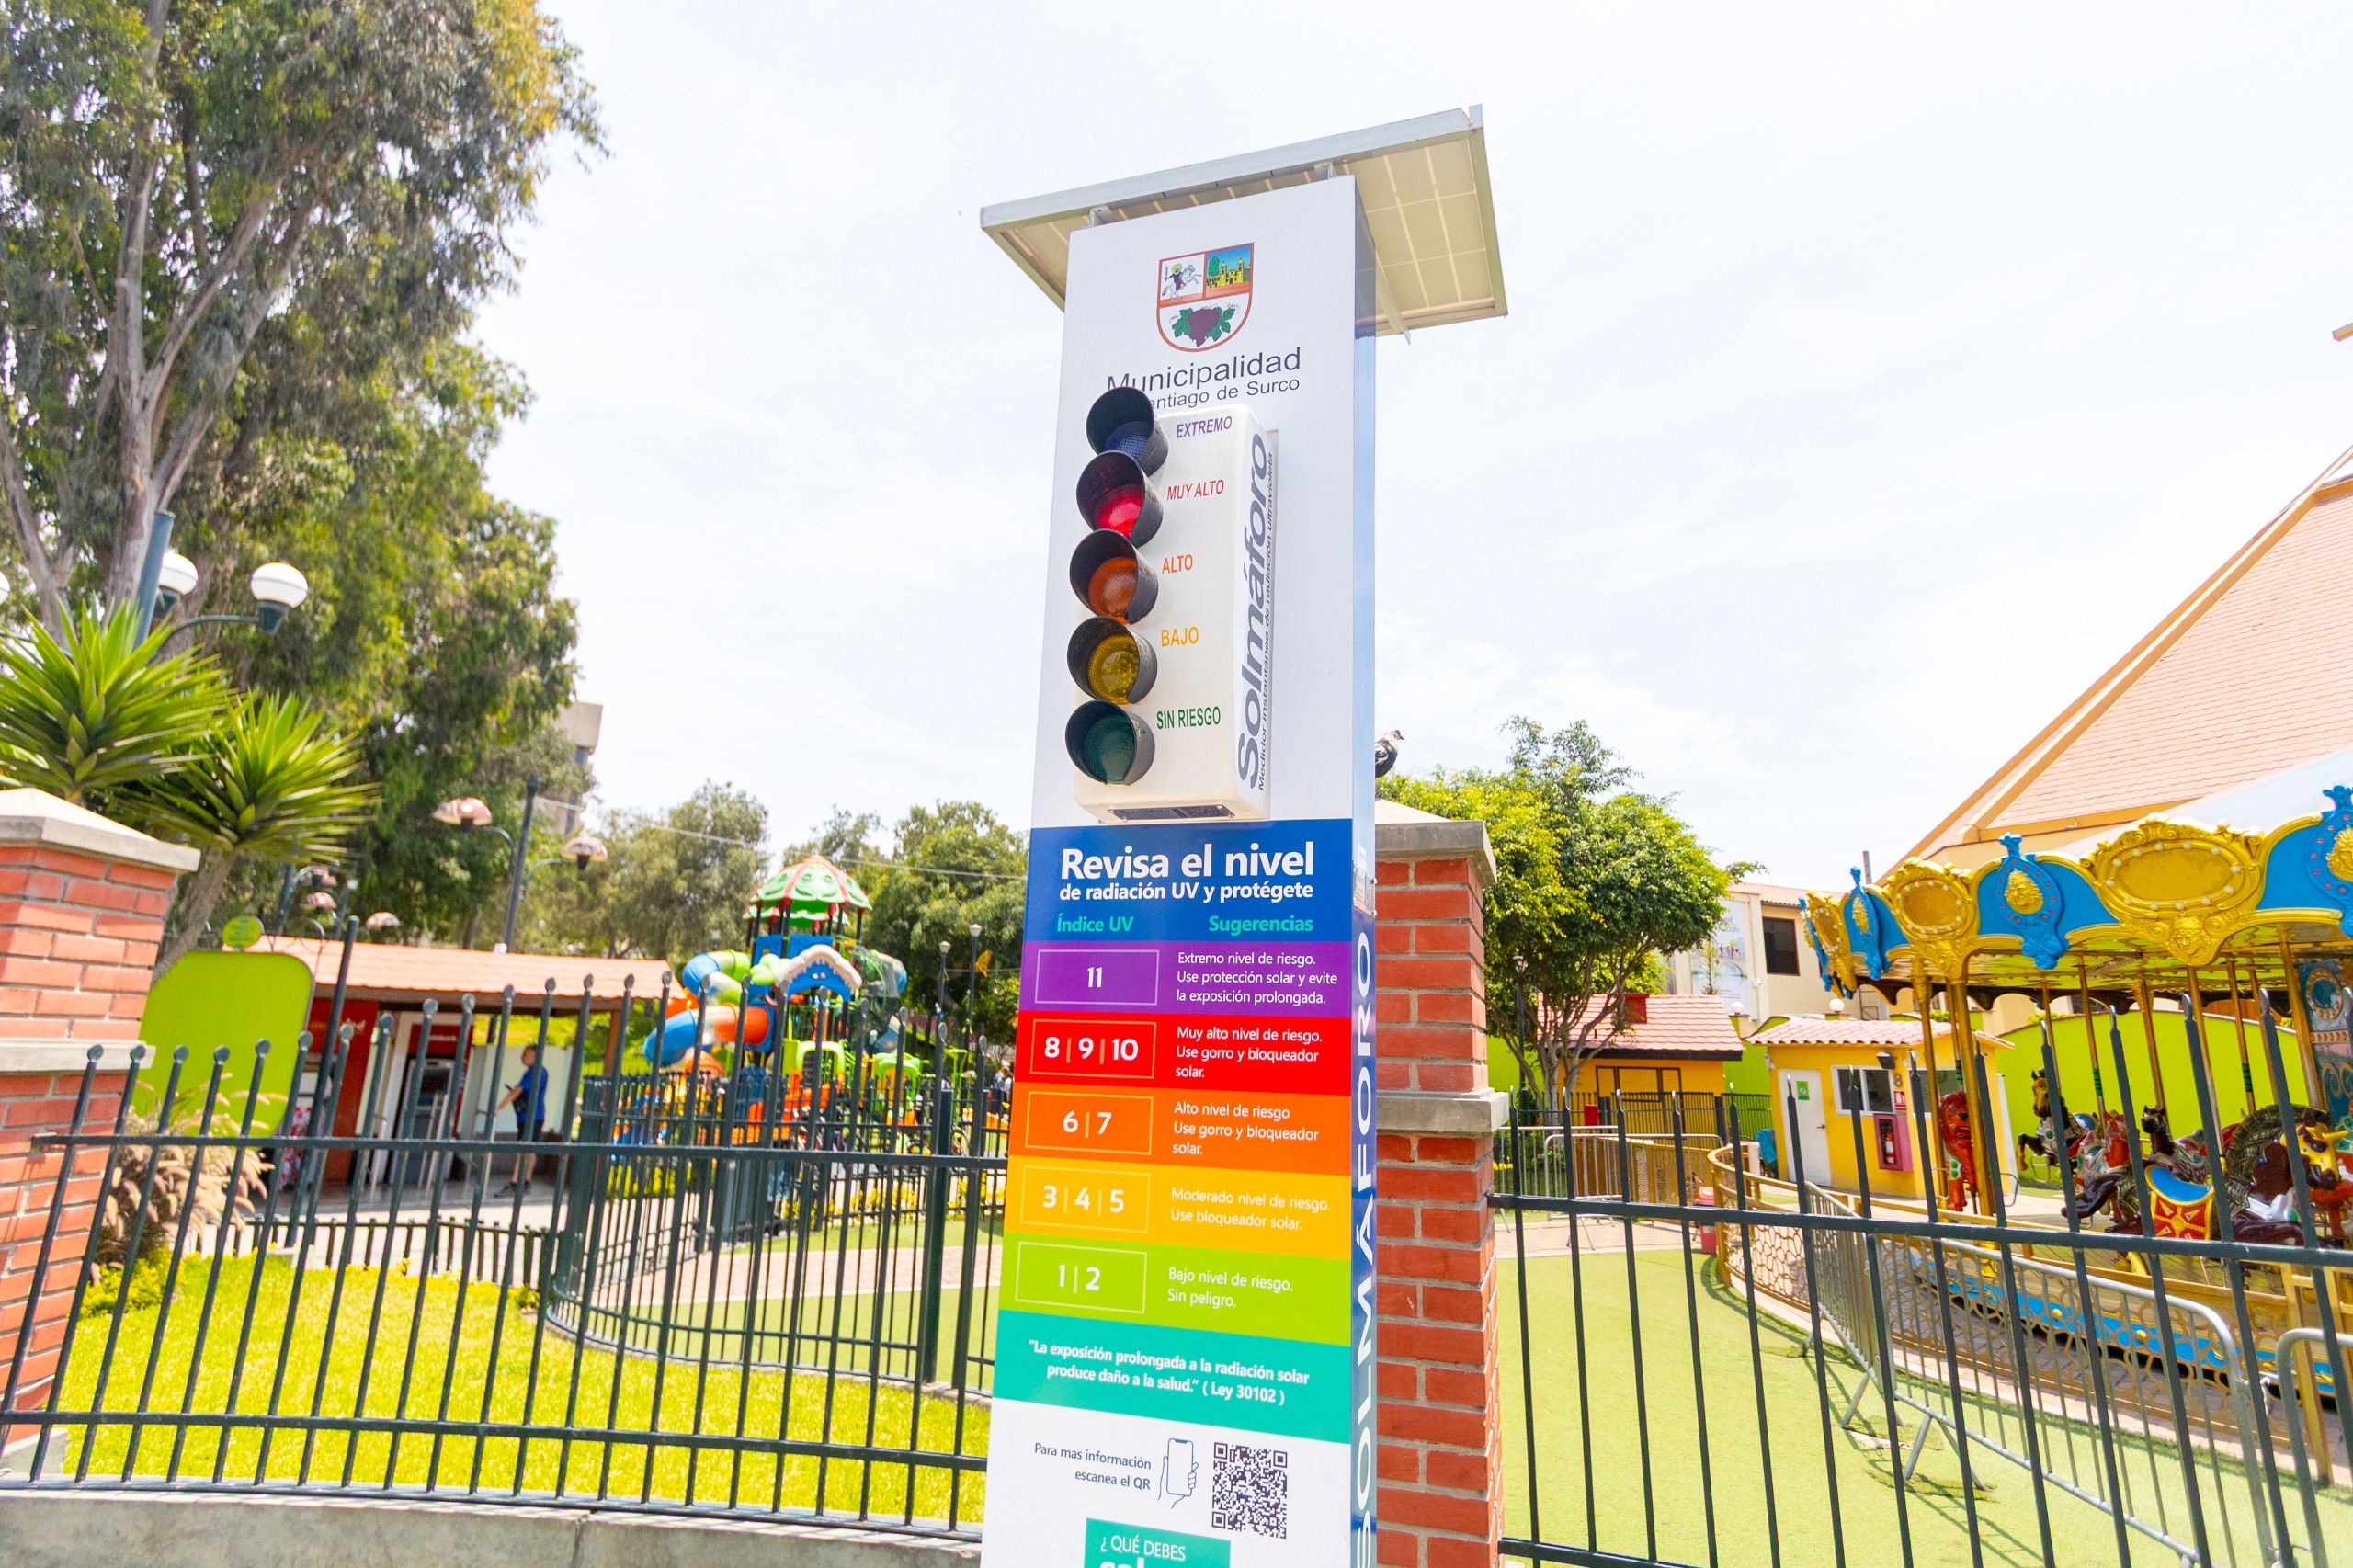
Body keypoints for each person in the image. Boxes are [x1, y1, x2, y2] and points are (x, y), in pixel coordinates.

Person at [496, 1045, 549, 1194]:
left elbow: (518, 1090)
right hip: (536, 1116)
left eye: (525, 1054)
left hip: (530, 1117)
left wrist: (499, 1108)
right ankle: (526, 1182)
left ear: (534, 1056)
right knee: (530, 1149)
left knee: (522, 1149)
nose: (522, 1057)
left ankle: (515, 1183)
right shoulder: (541, 1071)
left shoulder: (533, 1072)